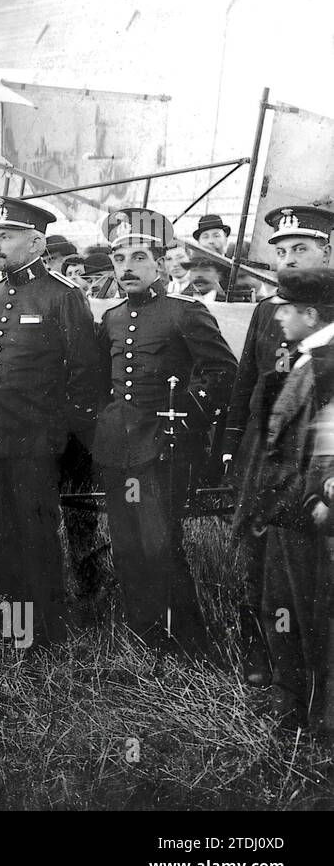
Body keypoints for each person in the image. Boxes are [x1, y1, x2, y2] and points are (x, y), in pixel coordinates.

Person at [93, 208, 237, 654]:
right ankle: (145, 638)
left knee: (161, 547)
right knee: (127, 546)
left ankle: (189, 646)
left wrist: (183, 417)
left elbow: (223, 372)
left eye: (138, 257)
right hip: (118, 449)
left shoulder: (184, 313)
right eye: (119, 258)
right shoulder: (113, 318)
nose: (127, 267)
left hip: (165, 451)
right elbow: (102, 381)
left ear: (159, 263)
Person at [0, 196, 106, 646]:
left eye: (6, 237)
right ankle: (9, 624)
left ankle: (46, 630)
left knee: (35, 535)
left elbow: (84, 373)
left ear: (36, 242)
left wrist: (61, 434)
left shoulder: (63, 296)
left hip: (36, 441)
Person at [223, 205, 334, 687]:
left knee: (309, 574)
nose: (289, 260)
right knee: (259, 560)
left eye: (301, 250)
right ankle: (265, 658)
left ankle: (309, 678)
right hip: (264, 457)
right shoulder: (270, 309)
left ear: (327, 252)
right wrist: (231, 447)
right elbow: (248, 379)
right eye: (282, 251)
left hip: (315, 467)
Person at [251, 266, 334, 736]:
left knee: (315, 617)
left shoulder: (328, 361)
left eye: (285, 308)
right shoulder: (309, 356)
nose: (276, 316)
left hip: (314, 514)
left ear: (310, 312)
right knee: (282, 607)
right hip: (288, 507)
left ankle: (319, 722)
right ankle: (291, 707)